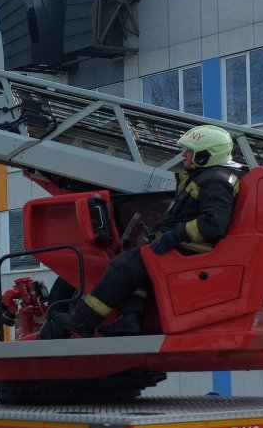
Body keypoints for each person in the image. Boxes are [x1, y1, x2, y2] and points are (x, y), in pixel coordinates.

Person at [42, 124, 241, 340]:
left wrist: (175, 236)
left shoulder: (217, 180)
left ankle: (83, 321)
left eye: (190, 151)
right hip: (184, 245)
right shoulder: (206, 177)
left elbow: (214, 223)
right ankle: (130, 320)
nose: (184, 154)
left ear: (204, 156)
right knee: (134, 263)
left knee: (122, 266)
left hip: (191, 249)